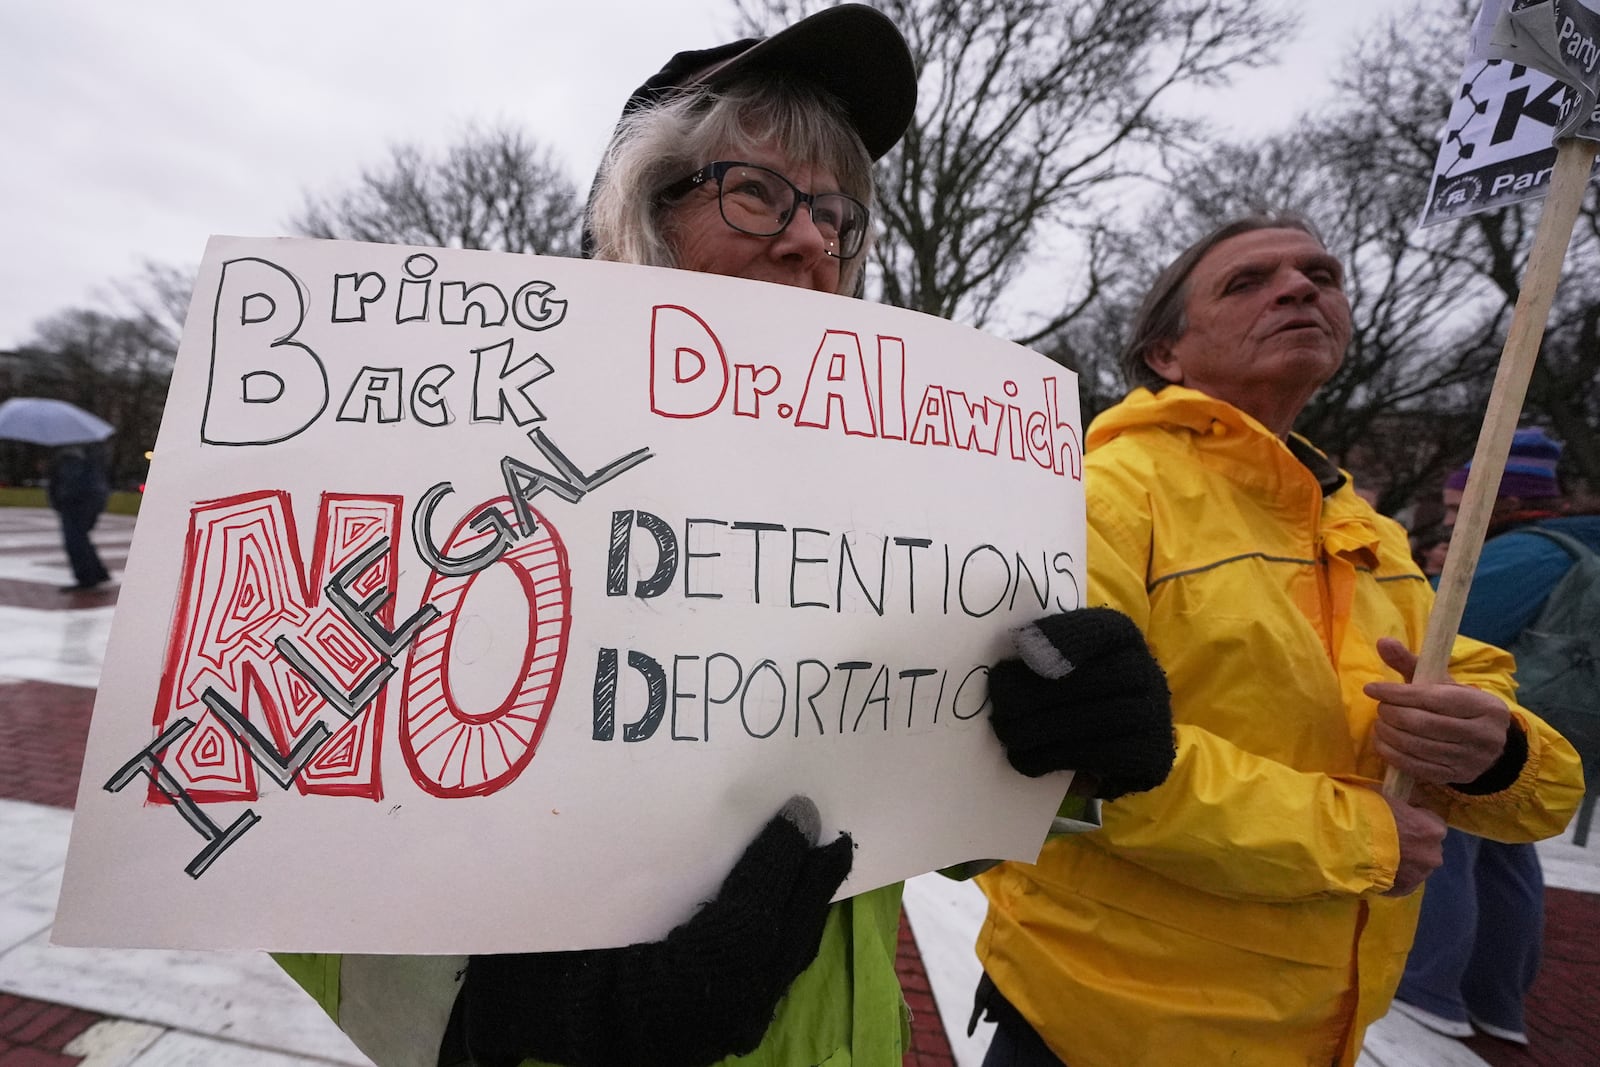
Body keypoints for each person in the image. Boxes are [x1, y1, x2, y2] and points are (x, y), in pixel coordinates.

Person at [277, 7, 1175, 1066]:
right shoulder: (464, 444)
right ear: (637, 214)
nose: (810, 240)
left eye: (838, 218)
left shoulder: (894, 496)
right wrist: (519, 1007)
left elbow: (926, 825)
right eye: (756, 192)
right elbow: (283, 799)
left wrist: (1058, 743)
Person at [969, 213, 1586, 1067]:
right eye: (1246, 282)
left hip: (1320, 1028)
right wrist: (1360, 838)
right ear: (1164, 355)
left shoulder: (1366, 527)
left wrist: (1499, 751)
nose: (1300, 288)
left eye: (1321, 275)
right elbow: (1076, 762)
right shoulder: (1101, 495)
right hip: (1103, 1022)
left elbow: (1517, 747)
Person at [1393, 428, 1600, 1045]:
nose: (1455, 524)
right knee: (1511, 857)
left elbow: (1423, 627)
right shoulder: (1584, 545)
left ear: (1503, 501)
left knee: (1442, 838)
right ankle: (1497, 998)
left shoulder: (1523, 554)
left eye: (1461, 509)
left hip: (1496, 721)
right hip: (1555, 732)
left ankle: (1429, 987)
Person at [47, 443, 111, 592]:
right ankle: (98, 573)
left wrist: (59, 498)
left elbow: (70, 484)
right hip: (86, 502)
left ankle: (87, 578)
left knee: (75, 540)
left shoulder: (72, 457)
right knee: (80, 538)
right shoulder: (88, 454)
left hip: (77, 504)